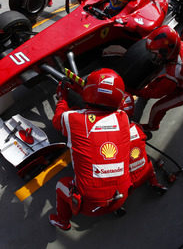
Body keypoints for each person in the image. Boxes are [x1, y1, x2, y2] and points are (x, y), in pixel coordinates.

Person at [49, 69, 132, 231]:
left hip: (89, 206)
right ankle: (112, 207)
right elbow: (107, 100)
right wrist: (84, 90)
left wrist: (62, 98)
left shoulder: (71, 119)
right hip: (121, 197)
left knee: (61, 185)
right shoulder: (123, 117)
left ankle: (62, 221)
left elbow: (57, 120)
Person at [131, 26, 183, 132]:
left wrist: (134, 91)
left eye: (156, 53)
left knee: (158, 108)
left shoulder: (174, 72)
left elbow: (155, 94)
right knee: (156, 83)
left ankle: (152, 126)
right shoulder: (179, 44)